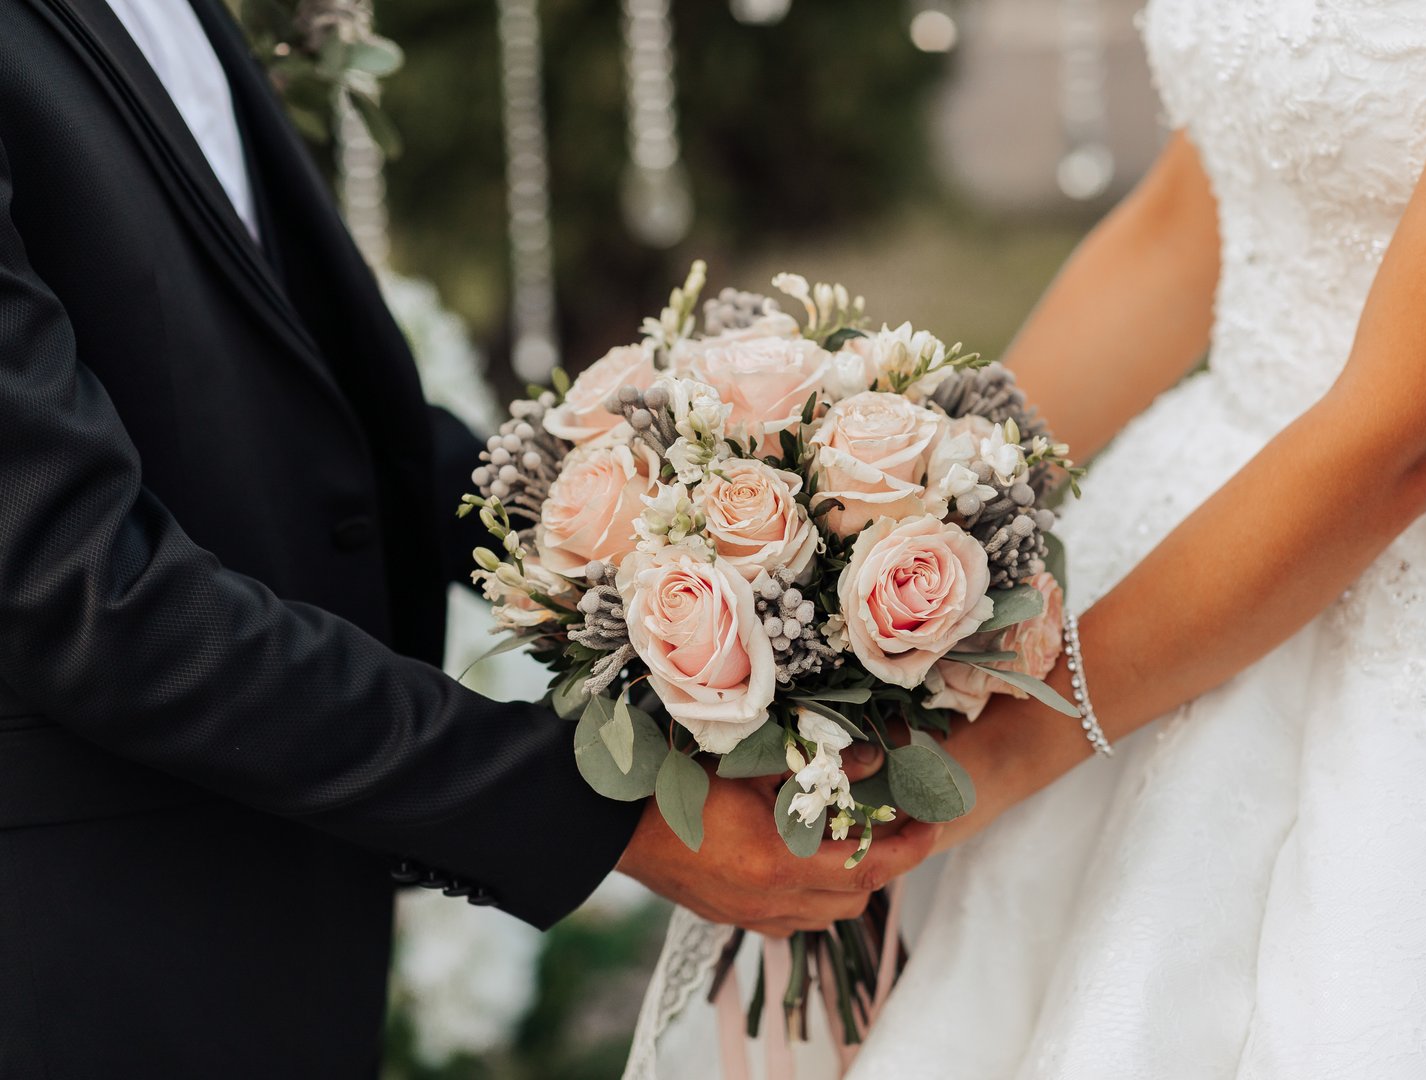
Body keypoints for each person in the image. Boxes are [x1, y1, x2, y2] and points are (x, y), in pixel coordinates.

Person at [631, 0, 1426, 1075]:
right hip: (1187, 513)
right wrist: (895, 520)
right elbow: (1195, 216)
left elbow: (1405, 440)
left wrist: (1001, 753)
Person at [0, 1, 935, 1075]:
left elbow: (303, 429)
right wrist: (597, 816)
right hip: (80, 955)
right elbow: (79, 590)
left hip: (263, 926)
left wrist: (740, 533)